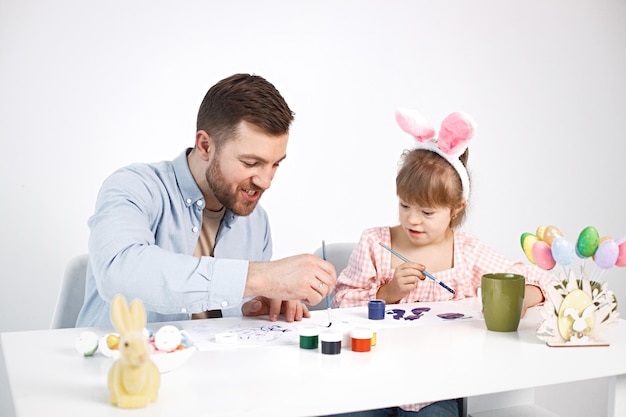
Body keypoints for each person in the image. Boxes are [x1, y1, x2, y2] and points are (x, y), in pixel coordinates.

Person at [329, 109, 552, 417]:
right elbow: (340, 307)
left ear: (455, 209)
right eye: (405, 205)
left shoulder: (467, 252)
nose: (412, 219)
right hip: (369, 383)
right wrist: (388, 293)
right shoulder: (374, 243)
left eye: (427, 212)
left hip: (438, 388)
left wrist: (524, 295)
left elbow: (539, 279)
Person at [76, 73, 336, 328]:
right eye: (251, 163)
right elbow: (119, 274)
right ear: (204, 146)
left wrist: (261, 306)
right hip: (125, 366)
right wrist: (262, 276)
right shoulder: (134, 186)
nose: (266, 181)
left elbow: (240, 309)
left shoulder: (256, 221)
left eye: (275, 164)